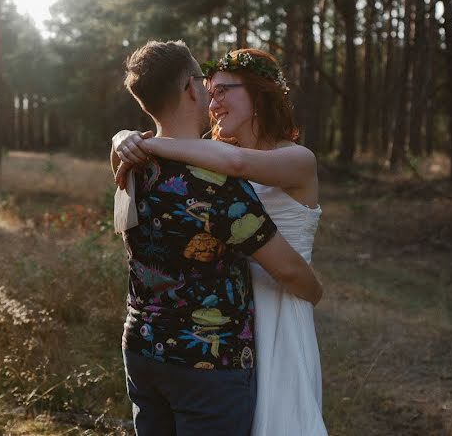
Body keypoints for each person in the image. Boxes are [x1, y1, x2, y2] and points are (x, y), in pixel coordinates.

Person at [114, 48, 328, 436]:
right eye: (209, 92)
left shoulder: (295, 159)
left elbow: (239, 165)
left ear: (260, 94)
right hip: (229, 319)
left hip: (279, 300)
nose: (213, 102)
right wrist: (124, 139)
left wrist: (146, 144)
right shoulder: (211, 158)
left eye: (224, 90)